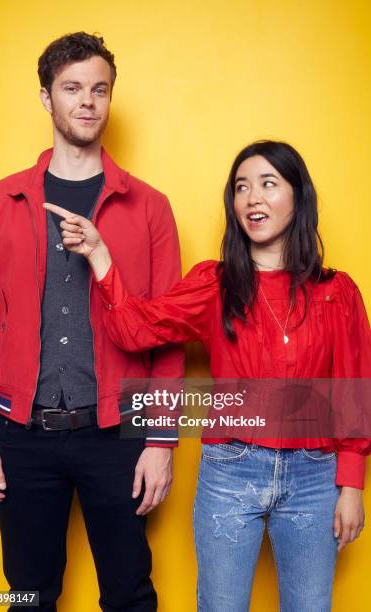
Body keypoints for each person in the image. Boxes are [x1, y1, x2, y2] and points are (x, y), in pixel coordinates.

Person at [44, 140, 370, 612]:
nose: (252, 198)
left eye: (268, 184)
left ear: (299, 197)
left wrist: (352, 487)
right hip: (231, 470)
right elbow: (136, 329)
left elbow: (354, 395)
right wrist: (98, 255)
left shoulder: (337, 292)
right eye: (241, 188)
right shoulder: (214, 284)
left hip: (314, 477)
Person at [0, 32, 184, 612]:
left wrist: (161, 441)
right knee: (29, 597)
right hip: (22, 436)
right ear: (46, 98)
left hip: (119, 435)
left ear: (110, 99)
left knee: (130, 595)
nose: (87, 101)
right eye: (72, 88)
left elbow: (167, 331)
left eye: (99, 89)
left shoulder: (150, 207)